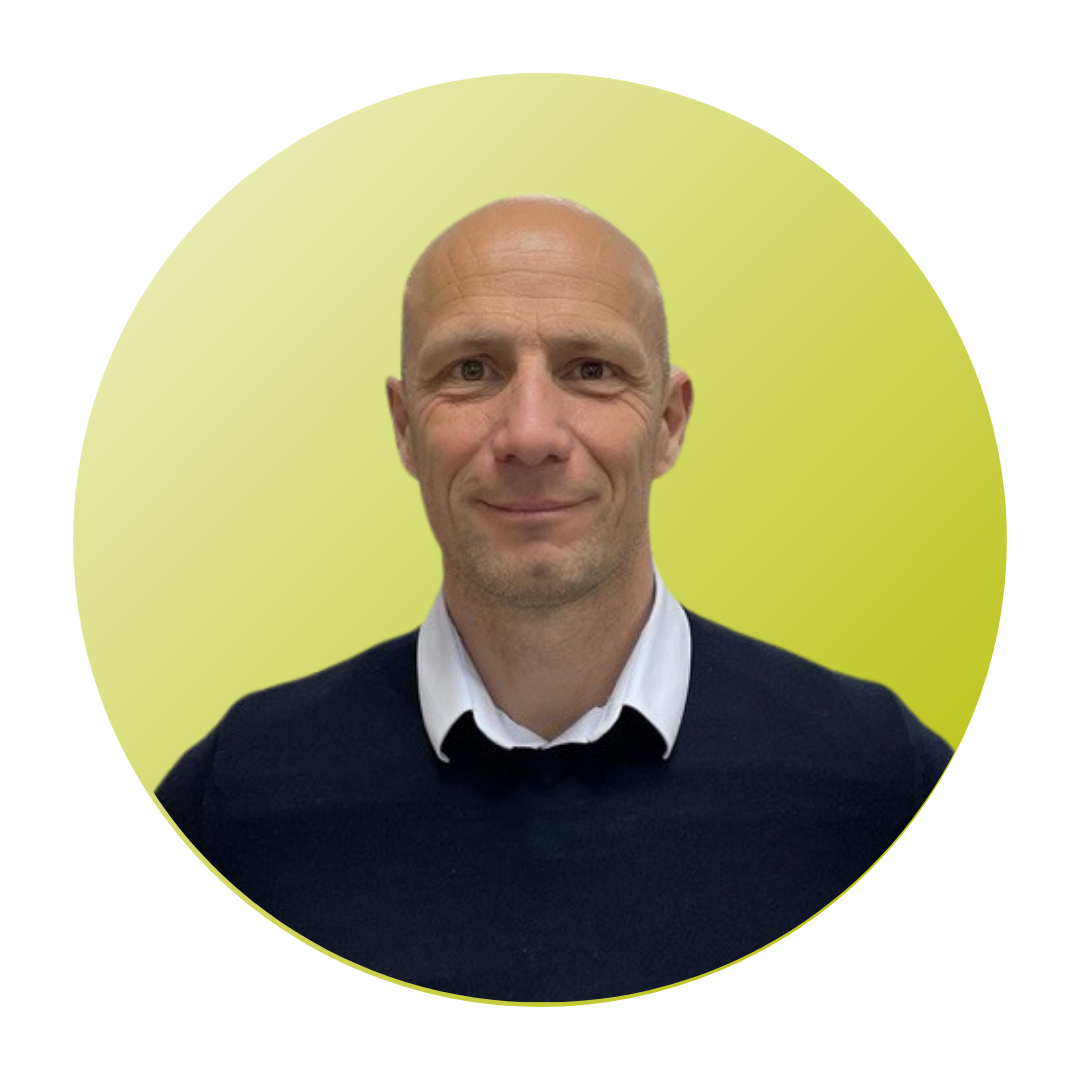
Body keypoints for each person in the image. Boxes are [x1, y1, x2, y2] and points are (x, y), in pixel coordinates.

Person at [157, 196, 952, 1003]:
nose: (531, 435)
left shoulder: (880, 782)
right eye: (472, 371)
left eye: (591, 371)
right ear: (403, 426)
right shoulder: (242, 794)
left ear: (669, 422)